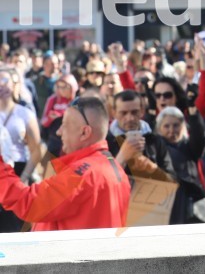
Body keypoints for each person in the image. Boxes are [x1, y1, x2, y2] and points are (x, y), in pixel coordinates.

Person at [0, 96, 131, 231]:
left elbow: (29, 203)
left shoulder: (83, 174)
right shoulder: (112, 167)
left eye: (64, 125)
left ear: (84, 132)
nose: (59, 132)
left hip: (71, 245)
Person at [0, 68, 42, 232]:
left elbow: (36, 150)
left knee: (14, 226)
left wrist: (24, 177)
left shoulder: (24, 113)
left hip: (17, 171)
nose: (1, 85)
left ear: (14, 84)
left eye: (5, 81)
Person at [109, 91, 177, 182]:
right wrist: (121, 158)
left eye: (134, 112)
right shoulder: (106, 142)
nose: (130, 118)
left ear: (142, 111)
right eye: (123, 113)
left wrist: (154, 169)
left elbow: (172, 180)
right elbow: (102, 182)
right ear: (114, 113)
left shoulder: (154, 140)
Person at [156, 105, 205, 224]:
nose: (171, 130)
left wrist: (193, 114)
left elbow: (199, 136)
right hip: (165, 204)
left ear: (183, 126)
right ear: (159, 129)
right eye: (166, 126)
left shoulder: (190, 147)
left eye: (176, 125)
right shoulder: (156, 149)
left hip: (190, 204)